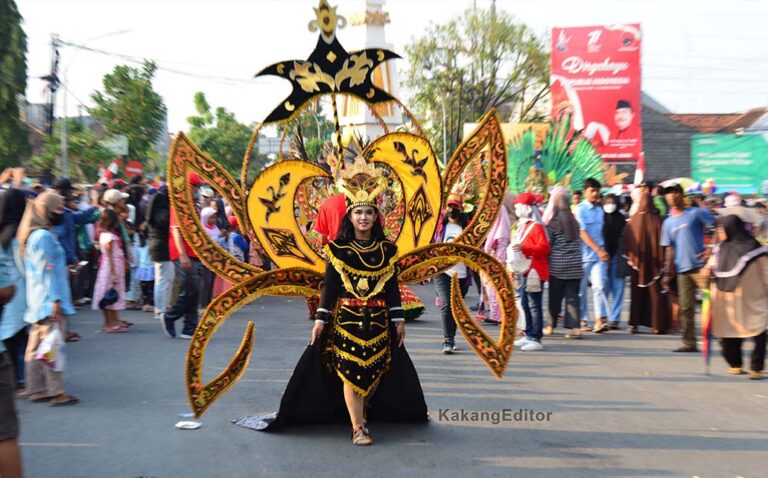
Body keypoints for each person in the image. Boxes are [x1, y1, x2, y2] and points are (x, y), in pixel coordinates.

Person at [233, 166, 427, 445]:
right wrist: (320, 321)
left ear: (376, 217)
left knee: (373, 370)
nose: (364, 218)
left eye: (369, 212)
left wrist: (398, 320)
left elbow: (392, 288)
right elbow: (330, 289)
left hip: (378, 320)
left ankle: (362, 415)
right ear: (350, 215)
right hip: (346, 320)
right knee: (350, 371)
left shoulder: (387, 250)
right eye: (359, 212)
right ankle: (357, 427)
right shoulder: (336, 250)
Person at [17, 191, 79, 406]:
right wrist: (55, 299)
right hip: (49, 300)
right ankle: (57, 392)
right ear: (46, 210)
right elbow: (47, 269)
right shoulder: (43, 236)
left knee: (36, 347)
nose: (61, 213)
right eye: (58, 209)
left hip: (36, 299)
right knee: (53, 346)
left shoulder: (33, 235)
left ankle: (36, 389)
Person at [706, 215, 768, 379]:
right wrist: (707, 271)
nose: (719, 232)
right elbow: (710, 267)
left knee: (758, 329)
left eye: (721, 228)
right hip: (727, 300)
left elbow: (766, 271)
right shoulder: (720, 248)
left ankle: (756, 367)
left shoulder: (754, 249)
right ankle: (735, 364)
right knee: (729, 331)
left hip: (751, 298)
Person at [661, 184, 715, 352]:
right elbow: (668, 248)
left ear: (681, 195)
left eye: (674, 193)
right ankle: (689, 342)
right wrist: (667, 271)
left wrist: (710, 248)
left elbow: (716, 227)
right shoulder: (668, 223)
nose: (671, 197)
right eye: (668, 195)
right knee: (686, 307)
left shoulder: (695, 213)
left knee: (714, 302)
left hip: (701, 268)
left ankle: (724, 336)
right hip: (682, 269)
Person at [163, 172, 204, 339]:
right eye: (195, 186)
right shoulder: (179, 205)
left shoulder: (194, 205)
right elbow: (176, 230)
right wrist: (182, 255)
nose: (197, 189)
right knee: (190, 288)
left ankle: (190, 327)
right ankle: (170, 316)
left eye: (198, 187)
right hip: (182, 252)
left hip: (195, 252)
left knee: (194, 290)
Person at [508, 192, 550, 351]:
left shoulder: (537, 226)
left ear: (526, 208)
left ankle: (536, 337)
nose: (516, 208)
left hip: (535, 271)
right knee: (526, 303)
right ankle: (529, 334)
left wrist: (524, 247)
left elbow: (545, 248)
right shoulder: (524, 225)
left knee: (533, 304)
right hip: (526, 270)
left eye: (518, 206)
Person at [625, 187, 669, 334]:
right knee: (655, 294)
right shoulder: (659, 221)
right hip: (655, 264)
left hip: (637, 264)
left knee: (636, 294)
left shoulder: (633, 220)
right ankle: (657, 325)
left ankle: (634, 324)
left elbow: (626, 241)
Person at [543, 187, 583, 338]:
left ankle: (550, 326)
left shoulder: (553, 224)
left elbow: (548, 245)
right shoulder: (575, 222)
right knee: (572, 297)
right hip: (576, 265)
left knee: (555, 297)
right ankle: (575, 328)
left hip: (558, 266)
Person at [433, 194, 470, 353]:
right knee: (447, 303)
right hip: (442, 272)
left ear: (461, 209)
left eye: (455, 207)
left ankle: (451, 337)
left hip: (461, 275)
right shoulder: (440, 226)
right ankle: (447, 340)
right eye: (449, 206)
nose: (452, 210)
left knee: (455, 307)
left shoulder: (468, 227)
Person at [0, 188, 29, 388]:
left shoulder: (3, 232)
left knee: (9, 338)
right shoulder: (20, 234)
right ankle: (17, 379)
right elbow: (25, 266)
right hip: (18, 290)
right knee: (18, 340)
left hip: (6, 292)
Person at [575, 178, 610, 333]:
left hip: (599, 257)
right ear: (585, 192)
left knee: (599, 285)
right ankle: (583, 319)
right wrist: (598, 249)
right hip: (584, 256)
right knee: (581, 290)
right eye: (592, 191)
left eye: (597, 191)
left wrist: (603, 251)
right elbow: (582, 232)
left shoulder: (601, 210)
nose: (595, 194)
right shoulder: (579, 210)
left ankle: (599, 319)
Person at [92, 209, 128, 332]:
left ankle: (111, 322)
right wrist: (113, 273)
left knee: (108, 294)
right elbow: (110, 255)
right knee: (110, 294)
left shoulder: (104, 235)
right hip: (111, 268)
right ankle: (110, 323)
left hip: (108, 267)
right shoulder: (110, 237)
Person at [478, 193, 511, 325]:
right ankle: (494, 312)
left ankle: (497, 315)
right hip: (490, 259)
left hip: (495, 261)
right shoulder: (495, 227)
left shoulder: (501, 231)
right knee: (490, 287)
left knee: (494, 287)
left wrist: (496, 263)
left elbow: (501, 250)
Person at [146, 184, 174, 320]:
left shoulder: (156, 211)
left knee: (164, 279)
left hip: (157, 247)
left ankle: (162, 307)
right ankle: (160, 309)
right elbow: (169, 223)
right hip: (162, 247)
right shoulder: (162, 213)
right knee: (163, 279)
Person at [602, 194, 628, 330]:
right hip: (603, 255)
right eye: (607, 202)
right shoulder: (600, 217)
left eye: (612, 202)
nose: (610, 204)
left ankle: (615, 318)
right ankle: (602, 315)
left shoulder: (621, 218)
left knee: (618, 288)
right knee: (603, 287)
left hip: (618, 255)